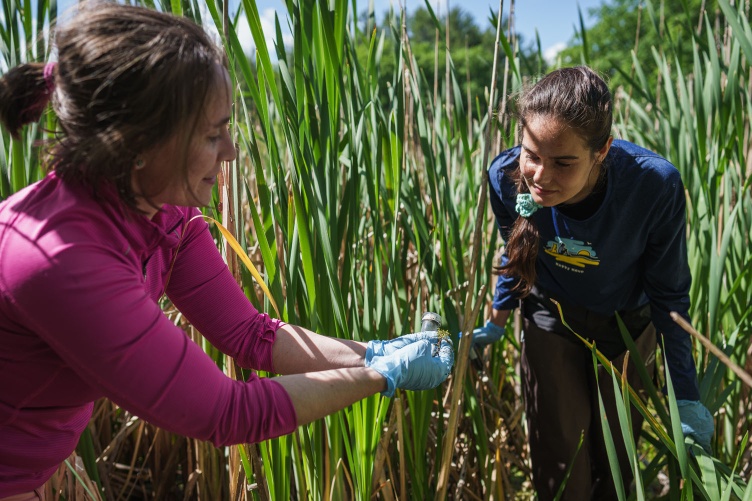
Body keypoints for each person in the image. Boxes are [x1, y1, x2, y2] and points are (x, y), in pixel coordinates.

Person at [0, 3, 454, 499]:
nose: (232, 152)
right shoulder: (61, 257)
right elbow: (228, 412)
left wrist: (377, 351)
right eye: (213, 134)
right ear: (140, 143)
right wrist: (380, 376)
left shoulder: (163, 212)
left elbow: (249, 334)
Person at [469, 66, 713, 499]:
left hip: (625, 326)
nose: (540, 176)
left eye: (563, 162)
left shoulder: (653, 186)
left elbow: (669, 294)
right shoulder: (505, 177)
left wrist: (686, 395)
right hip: (552, 317)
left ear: (602, 150)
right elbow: (517, 251)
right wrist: (497, 321)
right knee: (561, 459)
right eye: (532, 155)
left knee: (615, 459)